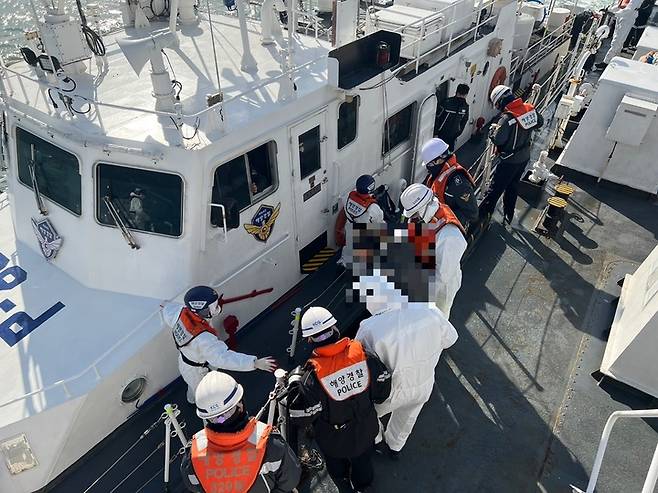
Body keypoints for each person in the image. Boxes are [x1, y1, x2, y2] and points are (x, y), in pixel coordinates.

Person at [354, 264, 458, 458]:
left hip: (389, 391)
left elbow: (356, 359)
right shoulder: (430, 311)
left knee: (369, 415)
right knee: (407, 418)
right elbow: (451, 338)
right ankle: (395, 446)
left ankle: (377, 442)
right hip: (424, 383)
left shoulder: (370, 327)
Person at [287, 306, 392, 492]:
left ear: (310, 340)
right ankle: (364, 486)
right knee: (363, 464)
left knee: (336, 469)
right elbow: (382, 390)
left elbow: (302, 418)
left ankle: (344, 484)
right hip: (365, 430)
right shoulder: (364, 355)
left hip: (333, 441)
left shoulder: (310, 377)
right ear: (335, 328)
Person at [181, 371, 301, 493]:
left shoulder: (194, 452)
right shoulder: (270, 443)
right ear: (241, 404)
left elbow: (194, 486)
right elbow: (290, 479)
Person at [162, 285, 277, 404]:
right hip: (197, 372)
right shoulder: (204, 339)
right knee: (202, 395)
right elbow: (223, 358)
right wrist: (254, 363)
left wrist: (164, 306)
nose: (218, 309)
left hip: (186, 362)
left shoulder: (179, 313)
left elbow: (167, 309)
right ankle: (198, 404)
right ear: (203, 311)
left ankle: (191, 398)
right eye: (215, 307)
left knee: (191, 387)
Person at [478, 85, 544, 226]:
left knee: (495, 189)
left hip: (509, 161)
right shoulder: (528, 108)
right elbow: (540, 122)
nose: (497, 108)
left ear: (501, 101)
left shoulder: (507, 118)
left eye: (497, 105)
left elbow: (498, 139)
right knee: (513, 186)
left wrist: (492, 131)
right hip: (524, 157)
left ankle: (483, 217)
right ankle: (509, 214)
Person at [400, 183, 467, 318]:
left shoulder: (450, 236)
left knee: (437, 319)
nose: (412, 219)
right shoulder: (426, 217)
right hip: (424, 273)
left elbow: (442, 276)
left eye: (415, 215)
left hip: (440, 289)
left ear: (425, 207)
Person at [421, 137, 479, 227]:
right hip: (436, 216)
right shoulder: (438, 174)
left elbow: (472, 213)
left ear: (439, 160)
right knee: (405, 233)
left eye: (429, 165)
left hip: (448, 225)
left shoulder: (458, 185)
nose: (428, 168)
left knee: (409, 235)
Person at [336, 175, 385, 264]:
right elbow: (379, 223)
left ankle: (344, 262)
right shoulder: (373, 208)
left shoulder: (348, 196)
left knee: (349, 247)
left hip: (350, 227)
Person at [595, 0, 644, 70]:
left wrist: (615, 14)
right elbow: (620, 5)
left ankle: (606, 62)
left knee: (617, 41)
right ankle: (614, 58)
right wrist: (608, 10)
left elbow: (629, 9)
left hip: (627, 18)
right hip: (621, 17)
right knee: (616, 39)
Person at [434, 83, 470, 151]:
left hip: (443, 134)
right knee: (447, 153)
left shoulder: (446, 103)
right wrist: (458, 132)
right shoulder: (465, 107)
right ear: (466, 95)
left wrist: (436, 132)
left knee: (439, 153)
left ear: (457, 92)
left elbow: (437, 117)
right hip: (446, 135)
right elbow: (464, 121)